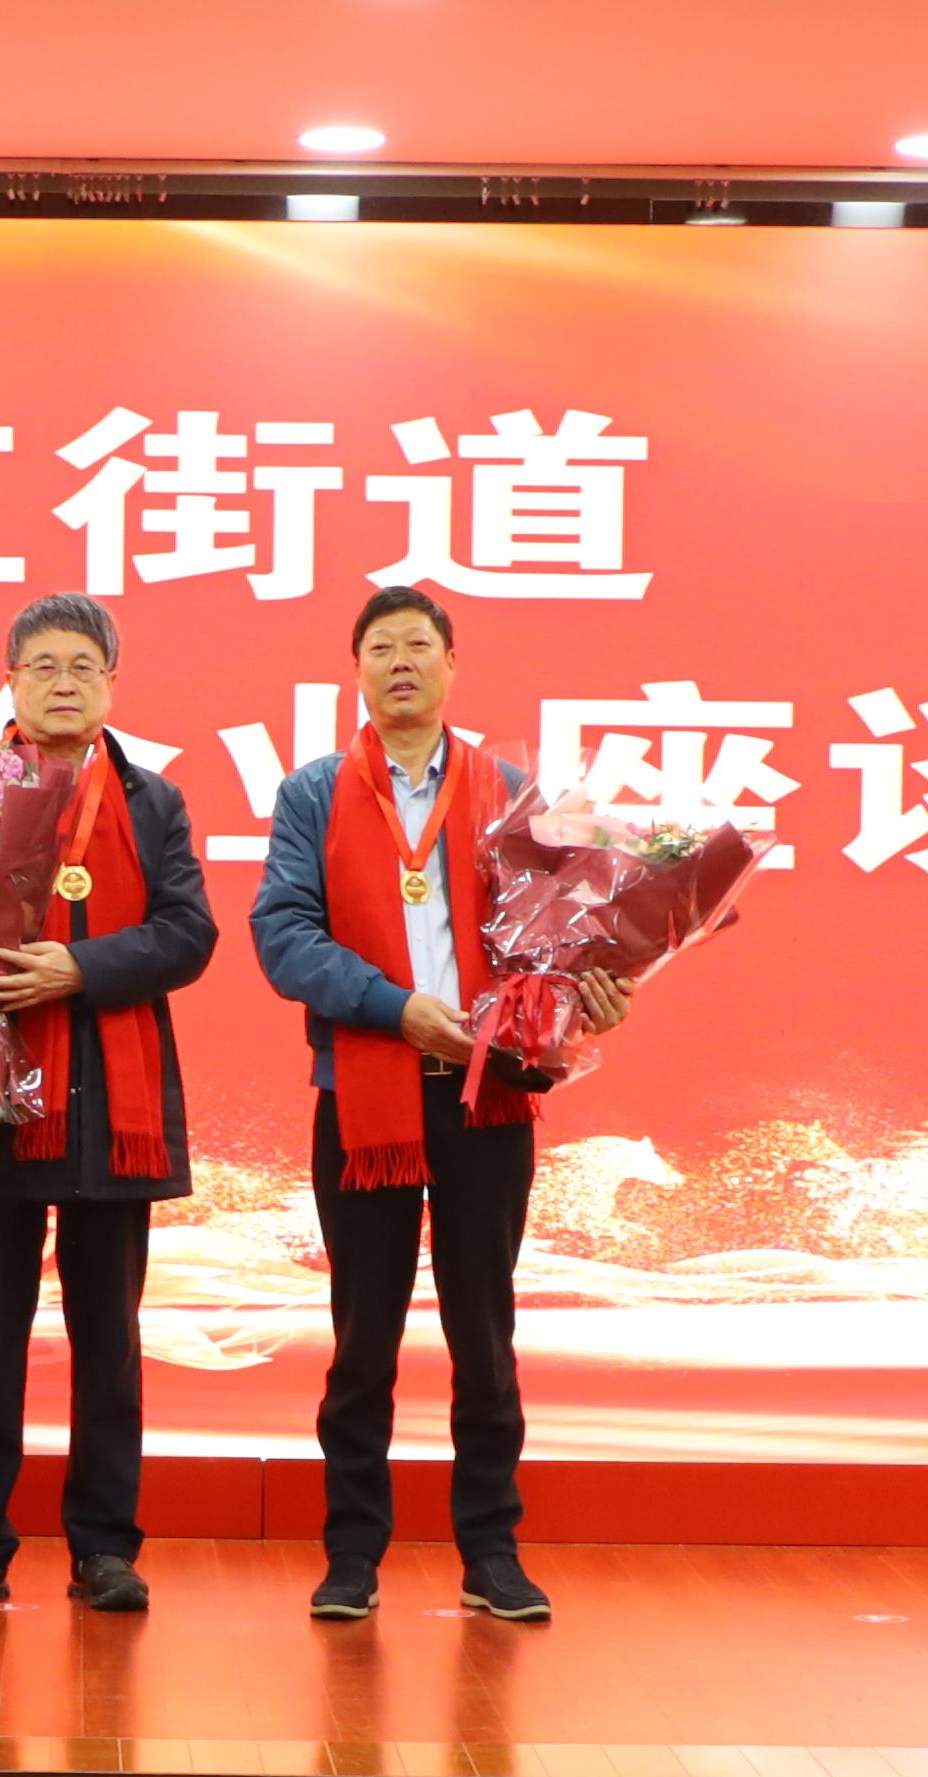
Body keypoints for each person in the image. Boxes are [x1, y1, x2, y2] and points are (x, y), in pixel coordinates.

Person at [249, 584, 634, 1624]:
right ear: (357, 671)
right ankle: (351, 1554)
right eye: (379, 647)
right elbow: (283, 935)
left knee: (483, 1334)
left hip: (484, 1100)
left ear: (450, 664)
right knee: (360, 1339)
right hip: (363, 1097)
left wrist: (595, 993)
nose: (399, 663)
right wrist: (396, 1008)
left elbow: (560, 935)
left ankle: (490, 1552)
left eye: (417, 645)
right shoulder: (312, 794)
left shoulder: (510, 790)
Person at [0, 592, 218, 1615]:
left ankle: (103, 1547)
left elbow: (187, 934)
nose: (63, 683)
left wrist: (80, 967)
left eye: (82, 666)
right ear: (10, 682)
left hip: (111, 1102)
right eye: (43, 666)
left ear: (110, 682)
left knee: (108, 1342)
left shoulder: (151, 801)